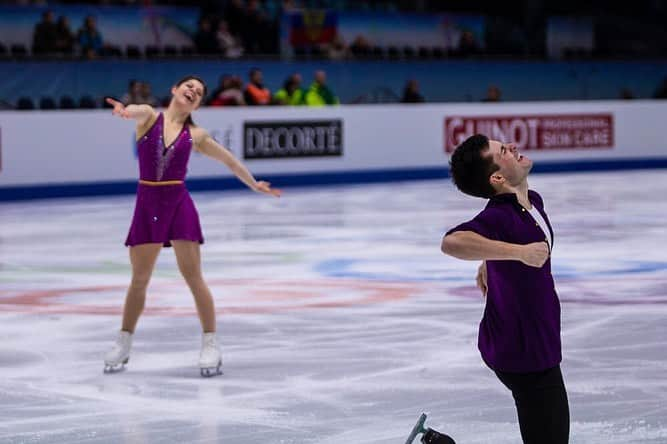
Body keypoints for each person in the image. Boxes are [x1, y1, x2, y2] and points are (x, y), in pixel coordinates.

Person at [103, 75, 281, 377]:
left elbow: (230, 161)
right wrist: (124, 111)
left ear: (198, 103)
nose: (193, 92)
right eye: (189, 87)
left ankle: (211, 342)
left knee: (194, 277)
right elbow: (133, 110)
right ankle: (124, 341)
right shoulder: (148, 116)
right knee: (139, 279)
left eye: (198, 93)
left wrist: (253, 184)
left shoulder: (196, 135)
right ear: (174, 89)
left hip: (178, 204)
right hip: (148, 204)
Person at [439, 134, 569, 444]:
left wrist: (490, 259)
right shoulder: (498, 215)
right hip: (523, 352)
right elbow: (452, 242)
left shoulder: (532, 201)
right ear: (497, 177)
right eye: (503, 151)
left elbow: (502, 237)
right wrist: (517, 253)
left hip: (537, 340)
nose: (512, 147)